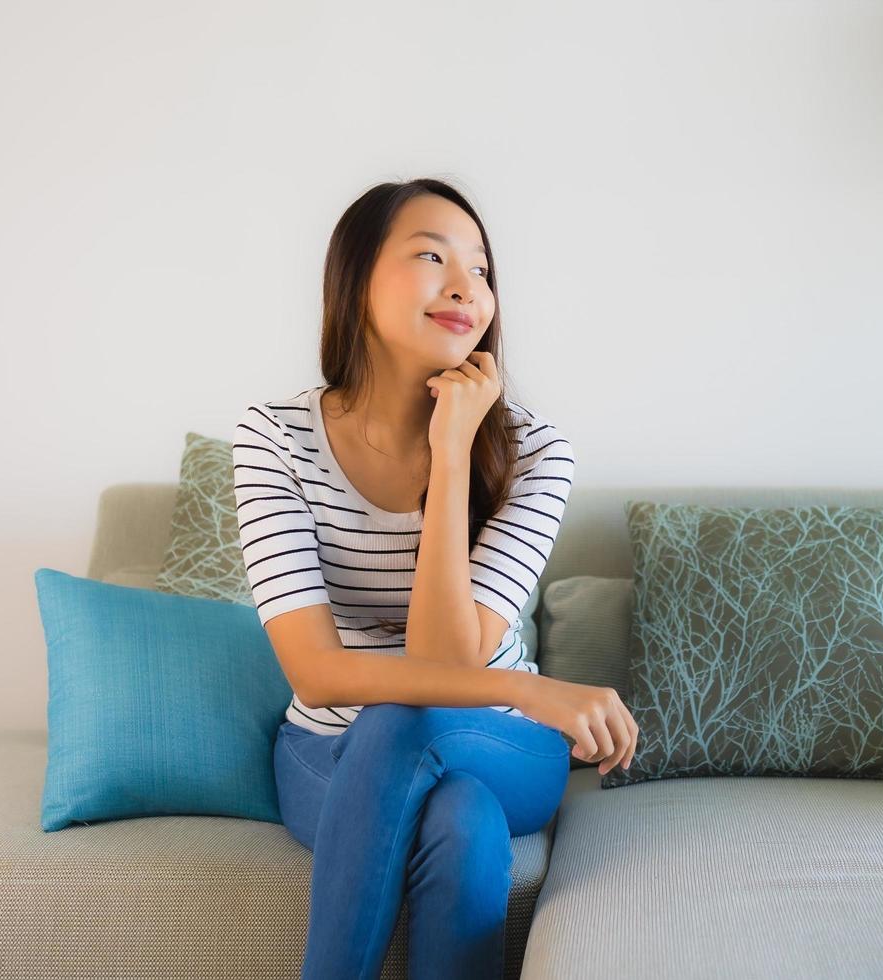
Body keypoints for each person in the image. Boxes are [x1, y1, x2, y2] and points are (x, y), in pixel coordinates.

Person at [231, 177, 638, 980]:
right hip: (331, 745)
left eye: (482, 269)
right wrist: (532, 690)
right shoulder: (274, 437)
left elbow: (448, 661)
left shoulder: (536, 452)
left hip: (498, 746)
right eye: (431, 256)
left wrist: (454, 451)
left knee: (399, 723)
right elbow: (313, 671)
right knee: (461, 821)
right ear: (355, 281)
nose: (467, 287)